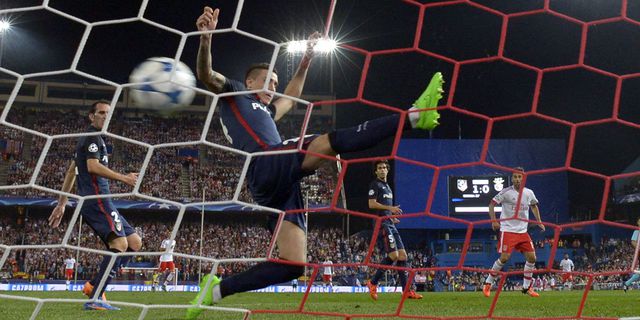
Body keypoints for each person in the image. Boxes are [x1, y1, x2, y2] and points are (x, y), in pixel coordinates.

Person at [187, 6, 442, 318]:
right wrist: (205, 40)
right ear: (250, 81)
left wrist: (306, 60)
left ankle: (215, 291)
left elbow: (292, 95)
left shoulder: (266, 112)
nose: (275, 85)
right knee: (324, 141)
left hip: (278, 182)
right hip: (265, 161)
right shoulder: (236, 93)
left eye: (276, 81)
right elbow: (206, 75)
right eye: (268, 79)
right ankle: (412, 117)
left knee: (294, 264)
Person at [48, 100, 141, 311]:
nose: (105, 116)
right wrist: (124, 178)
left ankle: (93, 286)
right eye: (101, 113)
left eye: (108, 113)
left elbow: (72, 171)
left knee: (135, 243)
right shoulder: (92, 137)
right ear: (92, 116)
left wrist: (62, 203)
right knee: (120, 245)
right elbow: (91, 166)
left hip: (103, 200)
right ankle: (96, 298)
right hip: (96, 200)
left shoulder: (94, 139)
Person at [482, 167, 545, 298]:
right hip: (508, 230)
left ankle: (527, 287)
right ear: (512, 178)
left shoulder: (529, 193)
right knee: (504, 258)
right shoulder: (506, 193)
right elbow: (491, 204)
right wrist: (494, 221)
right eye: (515, 177)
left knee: (532, 258)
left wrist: (539, 221)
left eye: (519, 177)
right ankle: (488, 283)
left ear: (523, 178)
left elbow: (534, 205)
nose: (517, 179)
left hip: (522, 231)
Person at [366, 160, 422, 300]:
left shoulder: (388, 187)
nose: (383, 170)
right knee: (394, 256)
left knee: (403, 256)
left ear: (388, 170)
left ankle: (407, 291)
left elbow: (385, 209)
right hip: (382, 224)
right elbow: (371, 204)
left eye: (385, 167)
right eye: (380, 168)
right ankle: (372, 283)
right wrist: (390, 209)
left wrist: (391, 217)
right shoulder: (375, 185)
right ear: (376, 171)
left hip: (389, 222)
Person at [623, 217, 640, 292]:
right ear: (638, 223)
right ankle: (627, 283)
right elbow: (633, 242)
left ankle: (626, 284)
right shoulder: (637, 231)